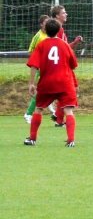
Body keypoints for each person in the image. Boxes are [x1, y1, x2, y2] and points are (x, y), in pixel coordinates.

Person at [24, 18, 79, 147]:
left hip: (47, 82)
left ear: (45, 30)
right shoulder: (65, 45)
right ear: (59, 30)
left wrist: (31, 83)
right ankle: (71, 140)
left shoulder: (42, 45)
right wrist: (75, 84)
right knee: (68, 111)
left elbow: (34, 65)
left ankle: (32, 139)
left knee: (38, 109)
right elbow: (73, 65)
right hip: (65, 82)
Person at [49, 5, 83, 127]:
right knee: (70, 90)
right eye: (63, 13)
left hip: (61, 65)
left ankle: (58, 117)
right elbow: (63, 49)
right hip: (62, 66)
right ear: (57, 15)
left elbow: (64, 47)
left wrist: (75, 42)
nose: (66, 14)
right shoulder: (58, 30)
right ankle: (58, 117)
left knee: (68, 90)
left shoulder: (58, 29)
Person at [23, 15, 52, 124]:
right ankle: (28, 113)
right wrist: (38, 63)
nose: (48, 23)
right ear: (41, 24)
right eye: (46, 22)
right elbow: (31, 51)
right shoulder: (38, 36)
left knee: (48, 90)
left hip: (49, 67)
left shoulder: (50, 35)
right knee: (40, 91)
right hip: (41, 68)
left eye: (49, 21)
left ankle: (53, 110)